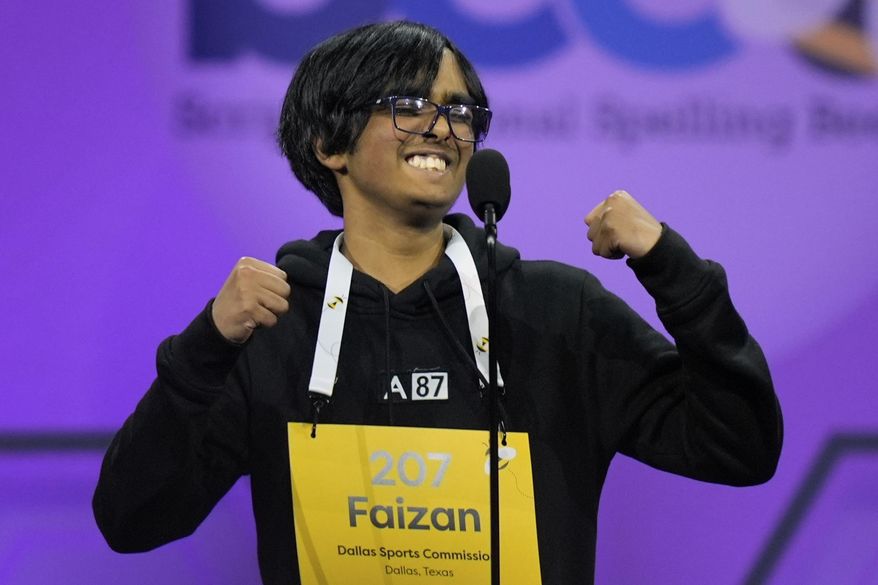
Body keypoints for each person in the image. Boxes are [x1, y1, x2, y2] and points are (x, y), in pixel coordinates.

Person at [93, 20, 783, 585]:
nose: (443, 128)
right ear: (330, 144)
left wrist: (671, 265)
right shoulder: (274, 323)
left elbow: (740, 447)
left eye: (458, 110)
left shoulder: (553, 312)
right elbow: (131, 518)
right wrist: (205, 347)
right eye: (408, 105)